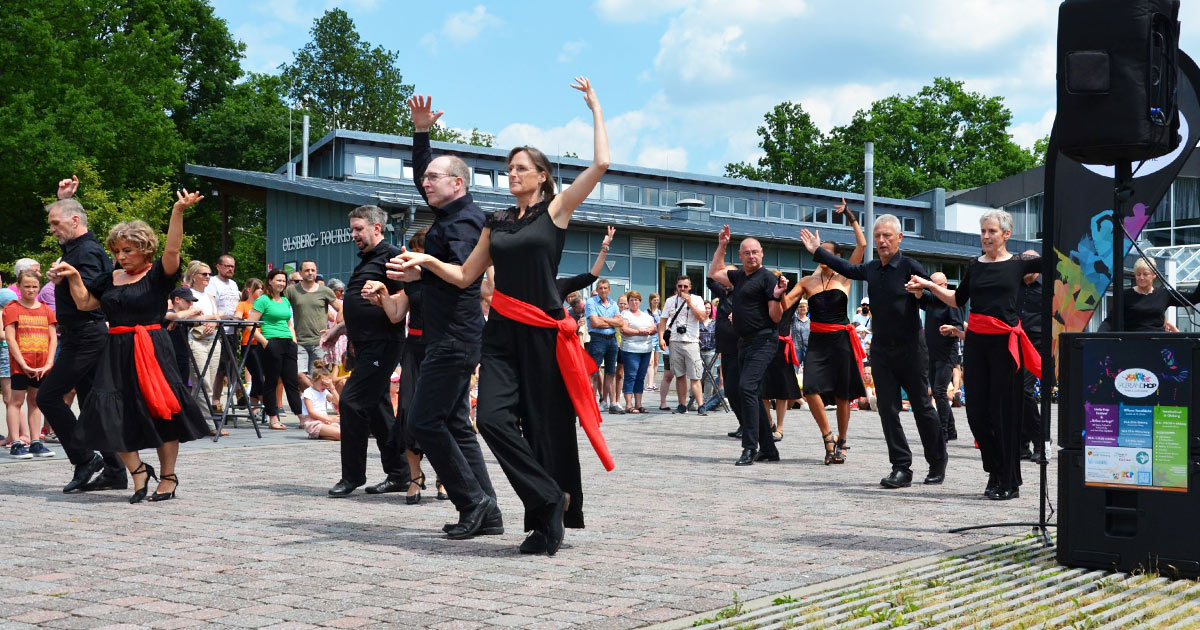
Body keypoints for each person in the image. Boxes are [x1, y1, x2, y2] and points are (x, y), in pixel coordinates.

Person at [392, 77, 611, 555]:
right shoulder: (497, 222)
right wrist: (425, 262)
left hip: (544, 335)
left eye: (521, 168)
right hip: (502, 333)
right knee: (490, 420)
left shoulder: (556, 211)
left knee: (544, 427)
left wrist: (595, 108)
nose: (512, 174)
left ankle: (545, 521)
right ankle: (548, 496)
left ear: (542, 177)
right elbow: (467, 274)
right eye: (509, 168)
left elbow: (601, 164)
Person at [382, 94, 496, 528]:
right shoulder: (449, 214)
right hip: (448, 335)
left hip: (454, 337)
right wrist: (421, 133)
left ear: (458, 184)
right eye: (424, 177)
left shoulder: (466, 221)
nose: (424, 183)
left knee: (426, 422)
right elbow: (444, 276)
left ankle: (472, 503)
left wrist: (425, 264)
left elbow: (465, 276)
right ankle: (488, 510)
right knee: (455, 424)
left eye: (434, 178)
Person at [52, 190, 211, 503]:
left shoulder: (158, 276)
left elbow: (173, 247)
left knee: (162, 412)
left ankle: (168, 477)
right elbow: (85, 303)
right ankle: (138, 471)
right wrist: (72, 275)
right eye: (118, 250)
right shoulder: (110, 278)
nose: (122, 256)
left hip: (152, 348)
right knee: (107, 414)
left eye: (128, 250)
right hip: (116, 351)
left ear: (144, 249)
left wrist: (177, 211)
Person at [800, 214, 947, 488]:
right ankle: (901, 467)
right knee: (887, 410)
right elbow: (845, 267)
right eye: (878, 236)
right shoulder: (871, 269)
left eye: (887, 236)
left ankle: (937, 461)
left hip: (912, 349)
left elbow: (934, 301)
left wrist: (920, 293)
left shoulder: (909, 266)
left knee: (923, 408)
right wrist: (817, 251)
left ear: (899, 238)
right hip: (881, 350)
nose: (881, 241)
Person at [905, 210, 1040, 500]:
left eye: (992, 231)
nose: (986, 236)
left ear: (1006, 234)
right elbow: (957, 299)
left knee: (1002, 412)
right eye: (983, 232)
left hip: (1006, 343)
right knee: (976, 413)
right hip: (977, 342)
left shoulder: (1020, 264)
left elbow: (1056, 263)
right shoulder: (974, 266)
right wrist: (929, 285)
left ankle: (1008, 479)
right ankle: (994, 470)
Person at [37, 176, 127, 493]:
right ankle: (115, 471)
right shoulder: (78, 246)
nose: (52, 230)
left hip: (86, 335)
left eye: (55, 223)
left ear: (74, 221)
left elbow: (91, 297)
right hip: (83, 335)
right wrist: (62, 198)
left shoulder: (87, 252)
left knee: (48, 396)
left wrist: (67, 277)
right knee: (91, 405)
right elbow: (74, 225)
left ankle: (84, 458)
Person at [363, 227, 448, 504]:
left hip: (443, 350)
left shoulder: (448, 281)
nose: (408, 255)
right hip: (414, 350)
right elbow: (396, 314)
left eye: (415, 250)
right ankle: (414, 477)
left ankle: (444, 476)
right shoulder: (410, 284)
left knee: (443, 415)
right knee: (409, 412)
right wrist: (382, 295)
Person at [779, 201, 867, 463]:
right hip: (817, 340)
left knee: (842, 394)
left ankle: (841, 441)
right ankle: (828, 438)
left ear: (835, 257)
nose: (823, 256)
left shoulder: (845, 277)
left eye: (827, 252)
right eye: (820, 252)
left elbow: (862, 246)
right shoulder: (807, 281)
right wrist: (780, 289)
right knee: (811, 388)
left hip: (840, 340)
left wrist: (850, 216)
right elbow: (785, 305)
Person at [709, 227, 784, 466]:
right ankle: (769, 450)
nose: (752, 256)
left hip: (764, 340)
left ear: (762, 254)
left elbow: (775, 318)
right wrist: (722, 245)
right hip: (744, 343)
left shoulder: (768, 278)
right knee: (745, 391)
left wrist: (777, 297)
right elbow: (714, 273)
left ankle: (750, 447)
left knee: (747, 388)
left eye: (755, 252)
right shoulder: (740, 276)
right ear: (740, 256)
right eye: (747, 253)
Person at [4, 270, 57, 459]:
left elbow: (53, 339)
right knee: (15, 401)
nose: (31, 290)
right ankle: (16, 442)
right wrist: (22, 364)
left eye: (34, 286)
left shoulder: (45, 309)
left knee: (35, 401)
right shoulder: (12, 308)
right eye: (26, 286)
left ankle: (36, 441)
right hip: (21, 365)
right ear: (19, 287)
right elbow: (10, 339)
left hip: (41, 365)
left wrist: (49, 362)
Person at [248, 269, 301, 431]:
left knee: (292, 381)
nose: (282, 283)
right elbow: (250, 324)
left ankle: (301, 417)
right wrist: (265, 343)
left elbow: (289, 323)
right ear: (269, 281)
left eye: (284, 281)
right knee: (271, 381)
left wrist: (294, 341)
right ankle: (273, 417)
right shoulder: (262, 300)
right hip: (272, 342)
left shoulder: (285, 301)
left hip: (288, 343)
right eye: (278, 280)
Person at [921, 272, 964, 444]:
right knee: (936, 391)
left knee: (939, 391)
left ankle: (943, 431)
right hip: (931, 353)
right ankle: (951, 430)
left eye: (935, 285)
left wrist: (951, 328)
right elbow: (918, 298)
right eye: (930, 285)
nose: (932, 288)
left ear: (945, 286)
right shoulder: (931, 301)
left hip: (947, 354)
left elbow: (960, 326)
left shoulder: (952, 301)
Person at [285, 260, 340, 391]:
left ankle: (313, 404)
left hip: (319, 341)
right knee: (299, 375)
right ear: (300, 273)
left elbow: (341, 308)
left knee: (317, 377)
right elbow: (280, 306)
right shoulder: (291, 290)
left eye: (313, 270)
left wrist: (334, 328)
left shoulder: (325, 291)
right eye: (307, 270)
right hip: (299, 340)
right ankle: (322, 396)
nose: (310, 273)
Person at [1104, 256, 1200, 331]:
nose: (1141, 277)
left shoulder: (1164, 294)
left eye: (1145, 274)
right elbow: (1110, 321)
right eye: (1138, 274)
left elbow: (1194, 299)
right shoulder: (1125, 295)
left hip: (1158, 343)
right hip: (1132, 344)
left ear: (1154, 275)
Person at [658, 276, 708, 416]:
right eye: (680, 286)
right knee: (679, 375)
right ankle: (682, 404)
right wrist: (661, 338)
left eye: (685, 286)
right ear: (677, 287)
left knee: (695, 376)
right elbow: (662, 322)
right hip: (675, 341)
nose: (682, 289)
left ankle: (701, 405)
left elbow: (702, 317)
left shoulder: (697, 299)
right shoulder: (670, 301)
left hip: (691, 341)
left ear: (690, 287)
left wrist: (690, 303)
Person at [183, 261, 222, 431]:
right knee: (202, 383)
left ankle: (194, 421)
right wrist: (213, 318)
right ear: (193, 276)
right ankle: (209, 424)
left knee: (209, 384)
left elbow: (220, 318)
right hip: (196, 341)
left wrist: (213, 321)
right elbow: (186, 317)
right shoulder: (187, 294)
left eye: (209, 274)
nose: (207, 277)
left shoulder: (211, 297)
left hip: (213, 340)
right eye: (203, 274)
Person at [709, 270, 744, 437]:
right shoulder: (724, 293)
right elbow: (710, 280)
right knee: (729, 390)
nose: (724, 282)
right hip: (725, 349)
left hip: (740, 349)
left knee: (740, 389)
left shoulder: (742, 294)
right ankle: (742, 424)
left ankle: (751, 426)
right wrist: (721, 249)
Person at [206, 254, 240, 411]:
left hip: (233, 330)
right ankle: (216, 401)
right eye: (227, 266)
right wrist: (220, 316)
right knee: (221, 367)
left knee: (231, 363)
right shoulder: (212, 283)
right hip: (218, 330)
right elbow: (211, 303)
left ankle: (233, 394)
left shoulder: (233, 284)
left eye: (232, 266)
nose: (230, 269)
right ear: (218, 267)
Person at [1017, 252, 1043, 459]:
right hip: (1012, 343)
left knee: (1025, 391)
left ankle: (1041, 441)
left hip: (1035, 345)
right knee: (1015, 394)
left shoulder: (1047, 289)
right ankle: (1022, 444)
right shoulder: (1013, 286)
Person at [585, 278, 622, 411]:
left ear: (609, 289)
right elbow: (595, 323)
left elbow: (620, 323)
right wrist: (612, 321)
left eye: (605, 288)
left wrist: (604, 319)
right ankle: (592, 403)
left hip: (612, 340)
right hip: (597, 339)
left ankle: (612, 403)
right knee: (594, 372)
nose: (603, 290)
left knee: (611, 372)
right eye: (600, 288)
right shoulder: (591, 302)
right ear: (597, 289)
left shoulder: (613, 303)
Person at [619, 291, 655, 413]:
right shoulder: (625, 314)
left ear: (640, 301)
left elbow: (654, 328)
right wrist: (639, 332)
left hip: (646, 349)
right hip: (630, 349)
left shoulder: (647, 315)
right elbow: (624, 329)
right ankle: (628, 405)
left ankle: (638, 404)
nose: (634, 302)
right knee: (631, 376)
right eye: (632, 300)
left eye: (636, 300)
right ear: (628, 302)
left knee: (641, 377)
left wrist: (649, 330)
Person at [234, 279, 266, 409]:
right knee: (258, 375)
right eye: (259, 288)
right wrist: (246, 320)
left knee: (262, 375)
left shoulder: (264, 304)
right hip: (249, 344)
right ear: (249, 290)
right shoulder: (243, 304)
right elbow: (237, 317)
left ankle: (254, 406)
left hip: (264, 343)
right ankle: (265, 404)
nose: (262, 291)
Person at [299, 367, 341, 440]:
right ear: (313, 381)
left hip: (325, 421)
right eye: (322, 384)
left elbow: (337, 402)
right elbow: (311, 412)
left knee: (347, 434)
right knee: (340, 434)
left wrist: (332, 387)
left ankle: (318, 435)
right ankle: (316, 434)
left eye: (326, 384)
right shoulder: (308, 392)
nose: (324, 386)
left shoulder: (325, 392)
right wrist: (329, 419)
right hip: (313, 422)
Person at [646, 293, 661, 392]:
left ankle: (653, 382)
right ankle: (649, 384)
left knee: (656, 362)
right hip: (650, 338)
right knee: (650, 362)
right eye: (654, 299)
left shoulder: (660, 312)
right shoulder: (646, 312)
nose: (656, 301)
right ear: (650, 301)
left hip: (659, 338)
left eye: (657, 299)